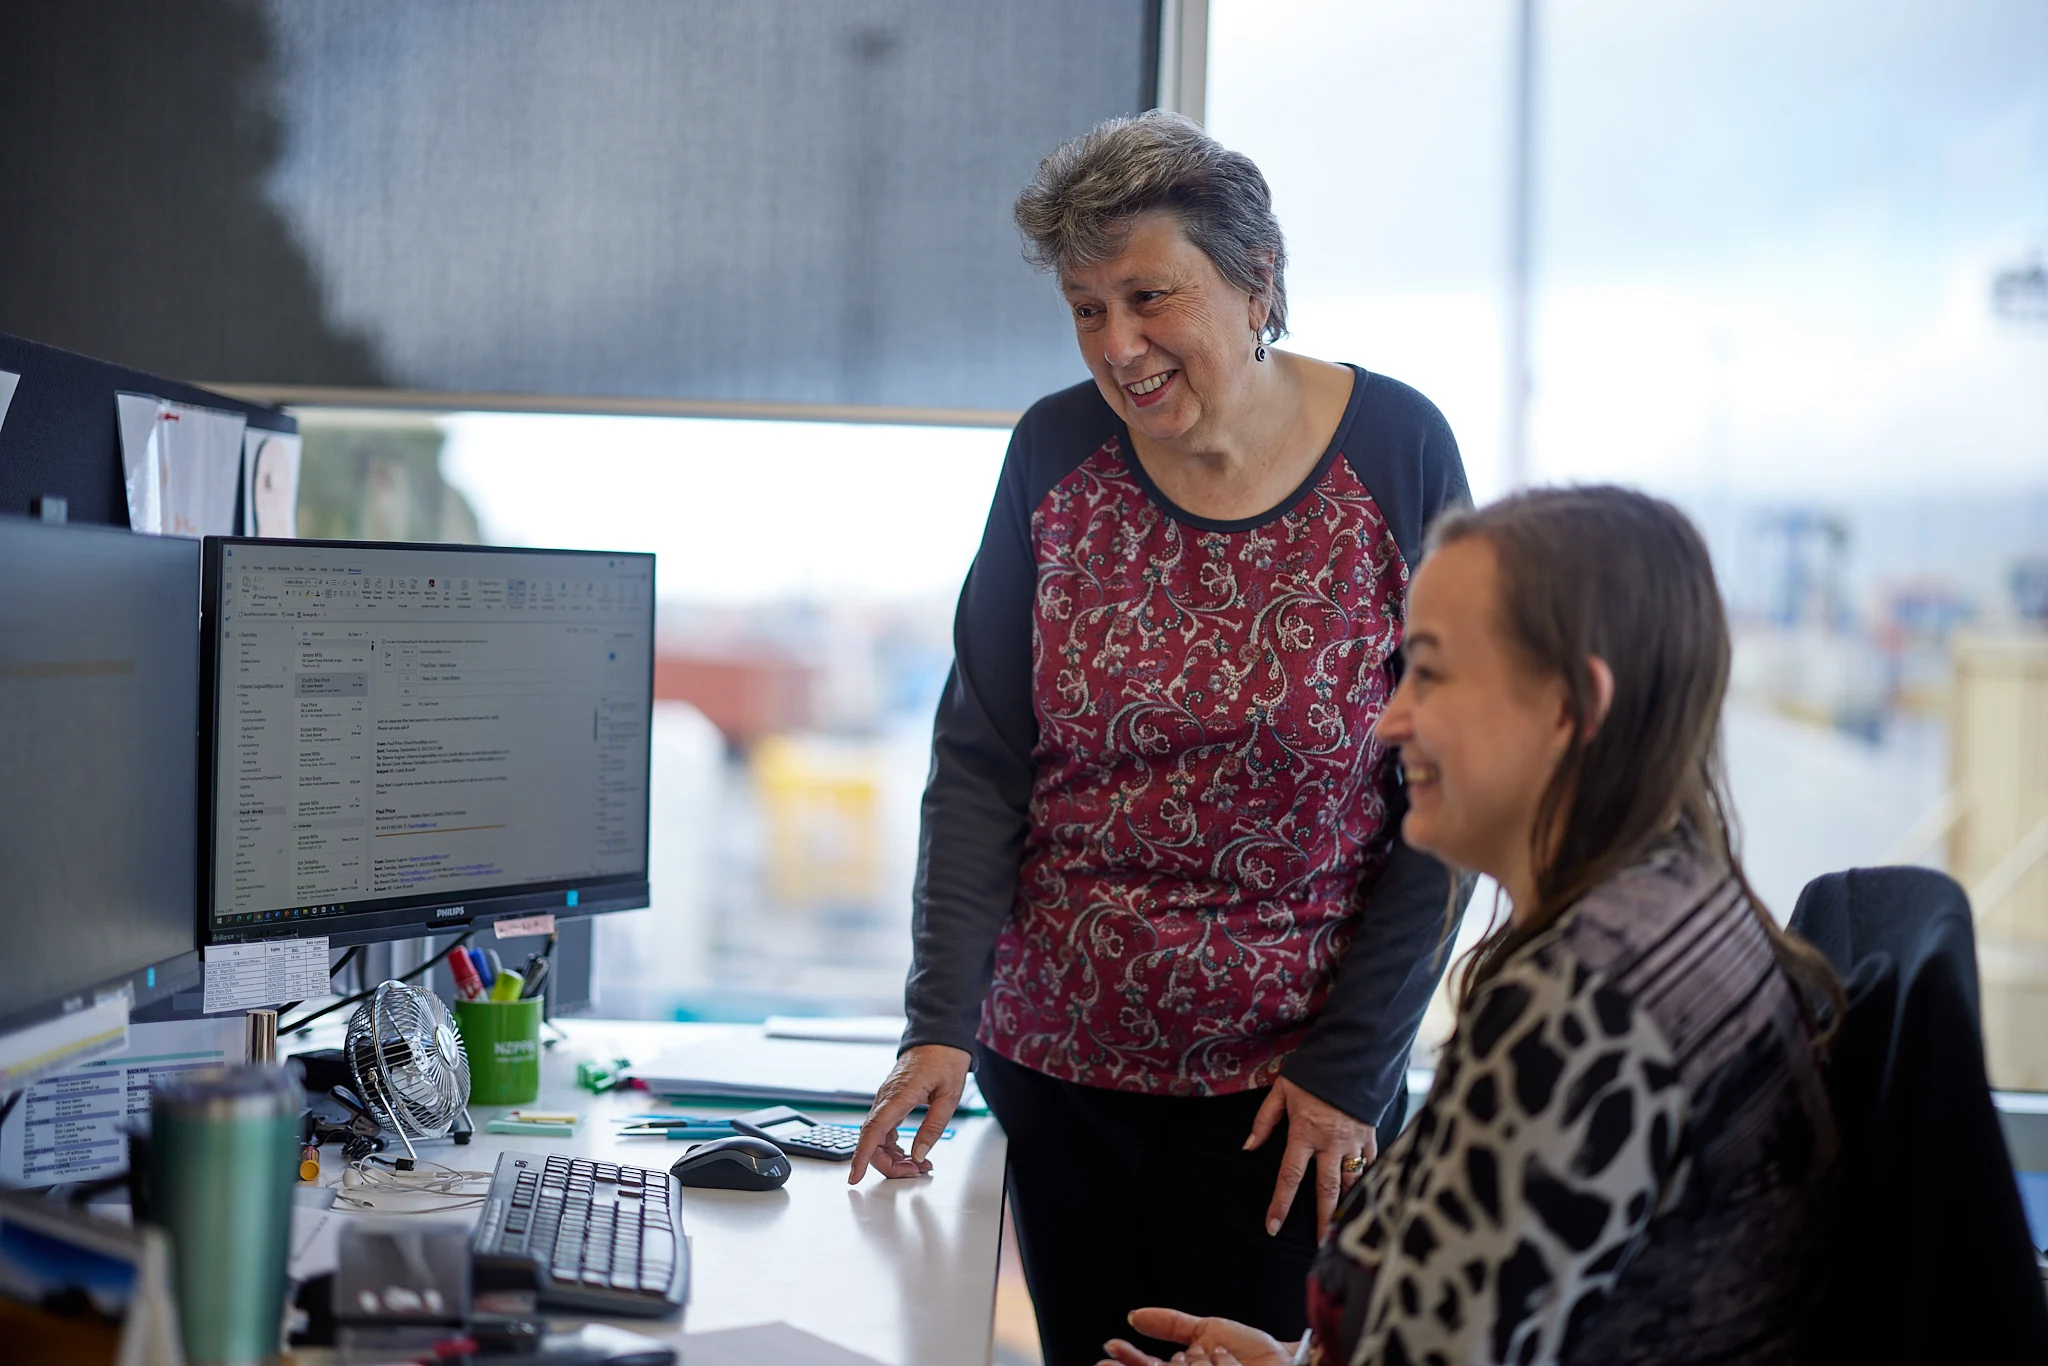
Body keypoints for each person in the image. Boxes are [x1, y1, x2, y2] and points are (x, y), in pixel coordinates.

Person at [847, 110, 1473, 1364]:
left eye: (1147, 296)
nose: (1116, 348)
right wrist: (938, 1020)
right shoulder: (1053, 453)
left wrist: (1352, 1065)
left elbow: (1446, 784)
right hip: (1062, 1070)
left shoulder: (1395, 450)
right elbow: (981, 758)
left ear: (1257, 285)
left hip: (1296, 1095)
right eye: (1086, 309)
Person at [1097, 486, 1845, 1366]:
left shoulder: (1580, 1008)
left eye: (1432, 673)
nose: (1387, 719)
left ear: (1571, 708)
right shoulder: (1687, 915)